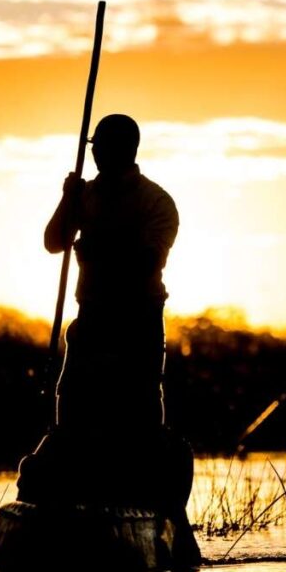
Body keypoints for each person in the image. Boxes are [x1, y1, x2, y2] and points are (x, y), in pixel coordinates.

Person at [44, 113, 178, 430]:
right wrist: (68, 200)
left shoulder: (156, 202)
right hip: (91, 321)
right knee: (74, 413)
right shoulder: (84, 195)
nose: (95, 152)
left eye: (101, 145)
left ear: (125, 148)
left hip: (137, 325)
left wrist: (99, 248)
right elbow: (53, 242)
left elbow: (150, 262)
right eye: (93, 145)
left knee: (137, 415)